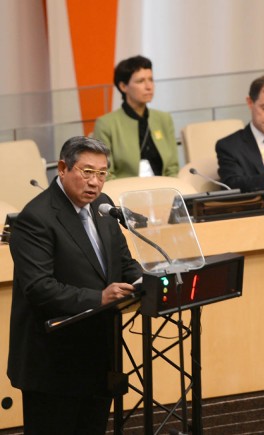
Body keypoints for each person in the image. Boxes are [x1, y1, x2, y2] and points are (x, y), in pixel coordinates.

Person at [8, 136, 142, 434]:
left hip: (99, 354)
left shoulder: (103, 207)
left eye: (102, 173)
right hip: (53, 362)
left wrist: (145, 280)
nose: (95, 182)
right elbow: (40, 288)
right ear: (62, 168)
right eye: (87, 172)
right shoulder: (36, 218)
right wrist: (100, 297)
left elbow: (122, 262)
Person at [94, 55, 179, 179]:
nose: (149, 86)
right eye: (140, 81)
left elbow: (173, 168)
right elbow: (106, 174)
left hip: (165, 187)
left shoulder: (164, 119)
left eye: (151, 79)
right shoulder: (106, 124)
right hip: (125, 189)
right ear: (123, 87)